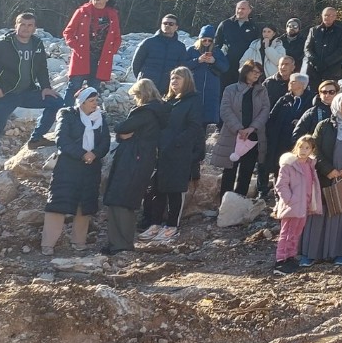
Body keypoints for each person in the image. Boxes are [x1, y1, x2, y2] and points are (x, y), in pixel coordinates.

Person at [300, 93, 342, 267]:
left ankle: (340, 252)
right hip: (325, 177)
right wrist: (327, 170)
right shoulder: (323, 126)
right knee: (320, 212)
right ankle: (312, 252)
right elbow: (314, 150)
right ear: (336, 105)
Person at [102, 79, 168, 255]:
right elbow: (123, 133)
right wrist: (123, 136)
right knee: (129, 203)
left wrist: (122, 134)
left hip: (131, 161)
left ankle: (118, 244)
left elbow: (122, 127)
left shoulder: (145, 113)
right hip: (142, 161)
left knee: (119, 201)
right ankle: (123, 242)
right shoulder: (157, 112)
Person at [140, 67, 206, 245]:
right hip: (162, 152)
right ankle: (155, 224)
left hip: (179, 153)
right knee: (159, 190)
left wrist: (176, 142)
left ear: (187, 81)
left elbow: (194, 127)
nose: (174, 81)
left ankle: (171, 226)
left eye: (178, 78)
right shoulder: (167, 101)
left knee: (175, 191)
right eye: (172, 78)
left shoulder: (193, 100)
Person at [0, 12, 63, 168]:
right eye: (22, 24)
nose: (26, 28)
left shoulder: (36, 43)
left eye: (30, 25)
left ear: (35, 28)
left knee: (56, 102)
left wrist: (45, 87)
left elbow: (42, 67)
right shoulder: (3, 43)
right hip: (5, 94)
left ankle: (36, 139)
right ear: (15, 25)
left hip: (27, 92)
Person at [41, 86, 110, 254]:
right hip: (68, 166)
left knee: (84, 205)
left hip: (90, 167)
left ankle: (79, 242)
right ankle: (48, 244)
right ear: (82, 102)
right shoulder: (67, 114)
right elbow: (62, 140)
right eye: (92, 101)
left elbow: (105, 142)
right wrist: (82, 154)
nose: (95, 104)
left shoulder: (100, 118)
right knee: (58, 203)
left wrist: (94, 154)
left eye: (96, 101)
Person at [213, 61, 270, 200]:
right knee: (230, 171)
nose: (257, 75)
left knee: (246, 171)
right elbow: (225, 110)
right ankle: (224, 202)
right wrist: (239, 128)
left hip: (253, 136)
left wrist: (252, 128)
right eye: (254, 72)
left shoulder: (262, 90)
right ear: (245, 72)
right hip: (234, 135)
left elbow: (265, 110)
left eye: (259, 72)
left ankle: (239, 203)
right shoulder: (231, 89)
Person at [272, 135, 323, 275]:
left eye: (307, 148)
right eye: (301, 147)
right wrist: (290, 200)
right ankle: (280, 261)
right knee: (286, 233)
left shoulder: (310, 165)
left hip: (304, 206)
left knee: (296, 232)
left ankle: (290, 257)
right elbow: (281, 185)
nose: (303, 150)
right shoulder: (289, 165)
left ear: (312, 150)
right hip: (292, 206)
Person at [62, 0, 121, 100]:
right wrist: (77, 47)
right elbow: (68, 32)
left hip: (101, 59)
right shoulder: (82, 12)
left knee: (93, 91)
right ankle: (65, 114)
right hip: (82, 57)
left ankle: (88, 116)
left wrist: (112, 51)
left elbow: (117, 37)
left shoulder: (113, 15)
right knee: (74, 87)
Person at [264, 73, 313, 204]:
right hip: (280, 141)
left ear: (302, 85)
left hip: (299, 143)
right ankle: (279, 199)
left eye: (293, 81)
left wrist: (301, 121)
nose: (289, 83)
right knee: (279, 169)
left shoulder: (311, 100)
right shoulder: (284, 99)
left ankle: (296, 199)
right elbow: (272, 117)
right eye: (290, 81)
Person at [132, 15, 193, 96]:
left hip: (167, 88)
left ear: (176, 27)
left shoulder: (180, 47)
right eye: (165, 23)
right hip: (146, 87)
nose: (167, 25)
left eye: (171, 24)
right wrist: (141, 79)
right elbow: (136, 63)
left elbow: (182, 67)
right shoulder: (148, 42)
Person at [304, 7, 342, 92]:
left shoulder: (340, 32)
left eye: (331, 15)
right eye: (326, 15)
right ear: (322, 16)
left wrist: (326, 62)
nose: (328, 17)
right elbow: (307, 48)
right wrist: (316, 61)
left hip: (332, 71)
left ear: (335, 17)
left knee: (329, 95)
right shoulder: (314, 30)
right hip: (314, 71)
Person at [213, 0, 259, 87]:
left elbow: (256, 47)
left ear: (249, 10)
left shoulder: (254, 27)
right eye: (238, 8)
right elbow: (216, 45)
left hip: (245, 67)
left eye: (243, 9)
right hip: (226, 66)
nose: (240, 11)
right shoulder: (225, 24)